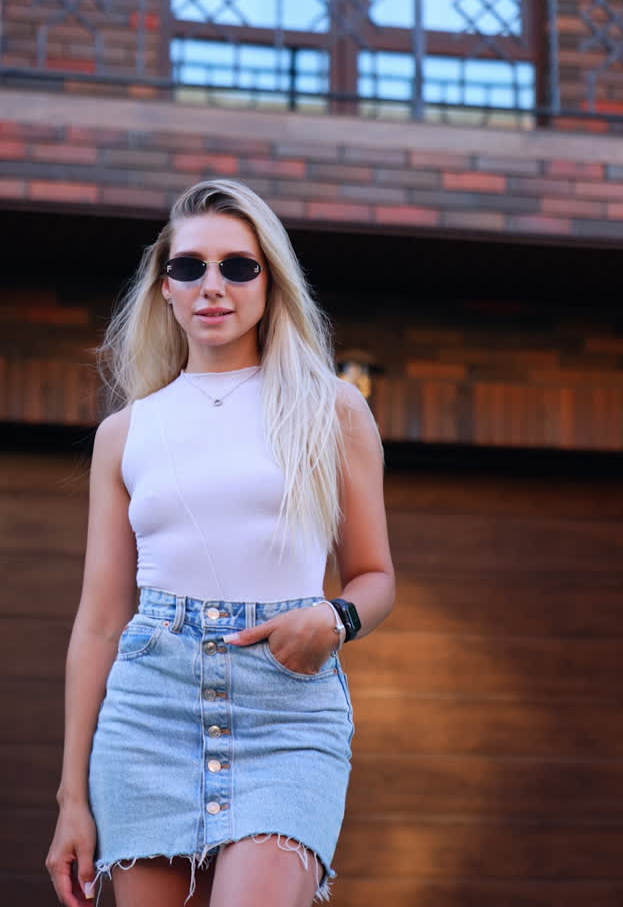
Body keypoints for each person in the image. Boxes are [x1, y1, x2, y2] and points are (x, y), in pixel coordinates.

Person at [45, 178, 395, 907]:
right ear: (164, 287)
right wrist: (71, 797)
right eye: (189, 266)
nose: (213, 285)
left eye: (239, 266)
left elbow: (374, 576)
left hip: (287, 711)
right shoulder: (126, 433)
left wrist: (333, 620)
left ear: (271, 283)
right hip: (147, 714)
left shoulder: (331, 408)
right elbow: (101, 620)